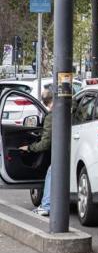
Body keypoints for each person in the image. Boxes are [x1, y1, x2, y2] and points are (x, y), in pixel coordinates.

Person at [19, 88, 53, 216]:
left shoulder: (51, 117)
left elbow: (45, 144)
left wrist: (29, 148)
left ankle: (46, 206)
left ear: (45, 103)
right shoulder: (67, 111)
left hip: (66, 153)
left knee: (52, 171)